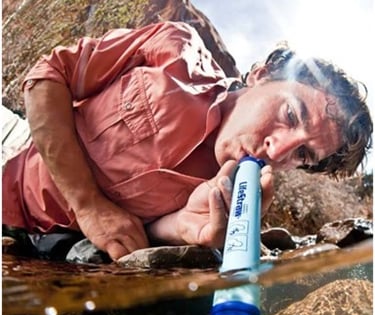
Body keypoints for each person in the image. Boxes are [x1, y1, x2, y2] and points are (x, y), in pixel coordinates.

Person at [2, 21, 372, 261]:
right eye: (291, 114)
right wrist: (87, 203)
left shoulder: (228, 197)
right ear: (261, 75)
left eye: (303, 154)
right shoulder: (175, 48)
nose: (277, 150)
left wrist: (183, 229)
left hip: (53, 252)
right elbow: (47, 76)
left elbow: (139, 233)